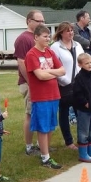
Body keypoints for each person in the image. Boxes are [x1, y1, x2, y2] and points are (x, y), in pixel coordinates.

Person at [25, 24, 65, 169]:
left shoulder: (49, 52)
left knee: (50, 126)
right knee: (42, 127)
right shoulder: (31, 54)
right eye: (45, 36)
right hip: (41, 97)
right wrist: (53, 72)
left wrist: (50, 72)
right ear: (36, 37)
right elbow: (40, 76)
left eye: (49, 36)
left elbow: (63, 71)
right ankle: (45, 158)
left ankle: (46, 151)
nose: (48, 39)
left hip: (54, 94)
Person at [14, 10, 45, 156]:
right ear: (29, 21)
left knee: (40, 114)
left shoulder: (39, 38)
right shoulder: (23, 39)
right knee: (30, 114)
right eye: (38, 21)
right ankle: (29, 146)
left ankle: (41, 145)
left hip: (41, 81)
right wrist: (31, 82)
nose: (41, 24)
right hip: (29, 83)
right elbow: (21, 62)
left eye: (43, 21)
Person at [50, 22, 84, 150]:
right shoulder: (55, 47)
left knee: (80, 112)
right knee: (64, 113)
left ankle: (82, 138)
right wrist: (64, 80)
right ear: (61, 33)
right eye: (67, 30)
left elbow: (83, 61)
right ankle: (68, 141)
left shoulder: (77, 45)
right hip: (64, 85)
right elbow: (54, 67)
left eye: (72, 30)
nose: (71, 33)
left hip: (78, 84)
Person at [72, 53, 91, 163]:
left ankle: (90, 151)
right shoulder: (79, 78)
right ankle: (83, 154)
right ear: (80, 65)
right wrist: (85, 103)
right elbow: (77, 94)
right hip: (84, 110)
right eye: (86, 63)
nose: (89, 65)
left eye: (90, 62)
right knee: (83, 131)